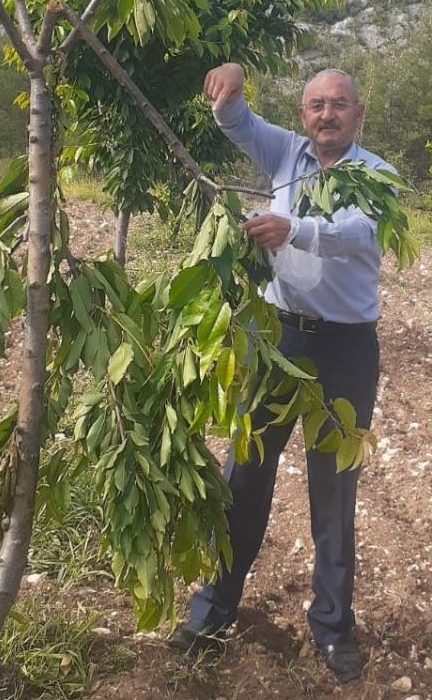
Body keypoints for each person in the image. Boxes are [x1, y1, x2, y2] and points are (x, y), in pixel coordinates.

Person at [168, 63, 395, 682]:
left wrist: (294, 227)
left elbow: (356, 233)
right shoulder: (285, 154)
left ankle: (332, 628)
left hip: (346, 353)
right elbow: (236, 122)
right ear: (303, 116)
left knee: (333, 491)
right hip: (277, 339)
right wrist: (232, 83)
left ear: (358, 114)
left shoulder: (378, 177)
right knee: (243, 474)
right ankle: (210, 612)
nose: (327, 114)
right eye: (317, 104)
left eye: (340, 104)